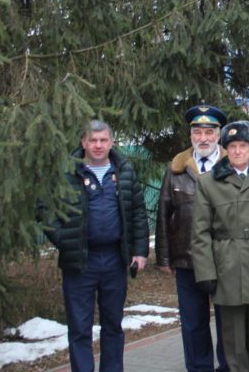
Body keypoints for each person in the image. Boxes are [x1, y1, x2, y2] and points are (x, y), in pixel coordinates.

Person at [44, 120, 149, 372]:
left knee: (113, 325)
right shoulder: (66, 172)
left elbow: (137, 212)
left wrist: (140, 251)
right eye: (93, 140)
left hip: (114, 260)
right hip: (80, 261)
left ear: (112, 141)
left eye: (103, 140)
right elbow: (46, 210)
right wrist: (64, 240)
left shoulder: (124, 170)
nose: (98, 145)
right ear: (83, 142)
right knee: (80, 328)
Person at [191, 120, 249, 372]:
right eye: (233, 146)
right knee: (233, 340)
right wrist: (206, 273)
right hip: (227, 265)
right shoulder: (208, 183)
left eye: (243, 146)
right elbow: (200, 233)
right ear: (226, 149)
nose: (238, 151)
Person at [155, 105, 230, 372]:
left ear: (219, 135)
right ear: (191, 136)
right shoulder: (176, 168)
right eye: (198, 132)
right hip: (187, 260)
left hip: (224, 259)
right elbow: (164, 212)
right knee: (193, 323)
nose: (204, 138)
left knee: (227, 323)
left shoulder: (232, 165)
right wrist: (164, 257)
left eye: (209, 132)